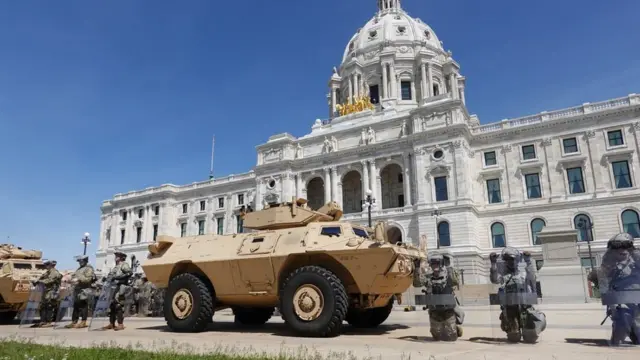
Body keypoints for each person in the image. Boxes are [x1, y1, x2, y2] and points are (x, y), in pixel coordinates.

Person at [591, 232, 639, 346]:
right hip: (620, 299)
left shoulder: (636, 258)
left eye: (625, 246)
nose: (622, 250)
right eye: (617, 247)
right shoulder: (608, 262)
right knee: (620, 328)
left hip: (637, 298)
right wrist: (607, 299)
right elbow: (603, 281)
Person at [489, 247, 546, 343]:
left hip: (524, 307)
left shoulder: (523, 274)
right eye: (507, 260)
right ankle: (513, 328)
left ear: (517, 261)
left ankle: (539, 321)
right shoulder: (504, 276)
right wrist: (493, 263)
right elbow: (494, 279)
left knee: (530, 337)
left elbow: (532, 277)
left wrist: (528, 261)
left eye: (512, 260)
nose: (510, 262)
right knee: (513, 338)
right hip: (510, 308)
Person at [414, 252, 465, 341]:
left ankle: (455, 328)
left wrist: (449, 266)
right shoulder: (428, 277)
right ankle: (439, 327)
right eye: (433, 263)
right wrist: (417, 267)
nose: (435, 266)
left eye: (437, 263)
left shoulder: (447, 276)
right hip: (434, 311)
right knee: (437, 337)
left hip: (448, 311)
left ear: (441, 264)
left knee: (451, 338)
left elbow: (454, 281)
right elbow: (417, 284)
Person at [103, 251, 132, 330]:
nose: (116, 257)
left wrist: (117, 278)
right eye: (116, 256)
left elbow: (129, 273)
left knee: (118, 305)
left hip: (120, 287)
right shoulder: (116, 266)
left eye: (117, 256)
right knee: (112, 306)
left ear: (122, 257)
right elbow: (111, 276)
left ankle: (120, 324)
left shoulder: (124, 265)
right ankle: (111, 323)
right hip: (113, 288)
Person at [65, 255, 96, 329]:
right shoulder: (79, 269)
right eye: (79, 261)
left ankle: (83, 321)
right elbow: (75, 278)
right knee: (76, 306)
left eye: (81, 261)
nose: (79, 262)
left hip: (84, 290)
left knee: (83, 306)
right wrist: (70, 280)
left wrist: (78, 279)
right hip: (77, 290)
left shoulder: (89, 268)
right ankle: (74, 321)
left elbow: (88, 279)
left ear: (85, 260)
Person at [32, 260, 62, 328]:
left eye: (47, 264)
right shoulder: (47, 272)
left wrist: (39, 281)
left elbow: (49, 280)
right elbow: (42, 277)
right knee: (43, 306)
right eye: (45, 265)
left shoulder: (54, 272)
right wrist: (36, 280)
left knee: (49, 306)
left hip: (52, 291)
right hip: (46, 291)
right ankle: (43, 321)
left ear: (51, 265)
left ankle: (48, 322)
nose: (46, 266)